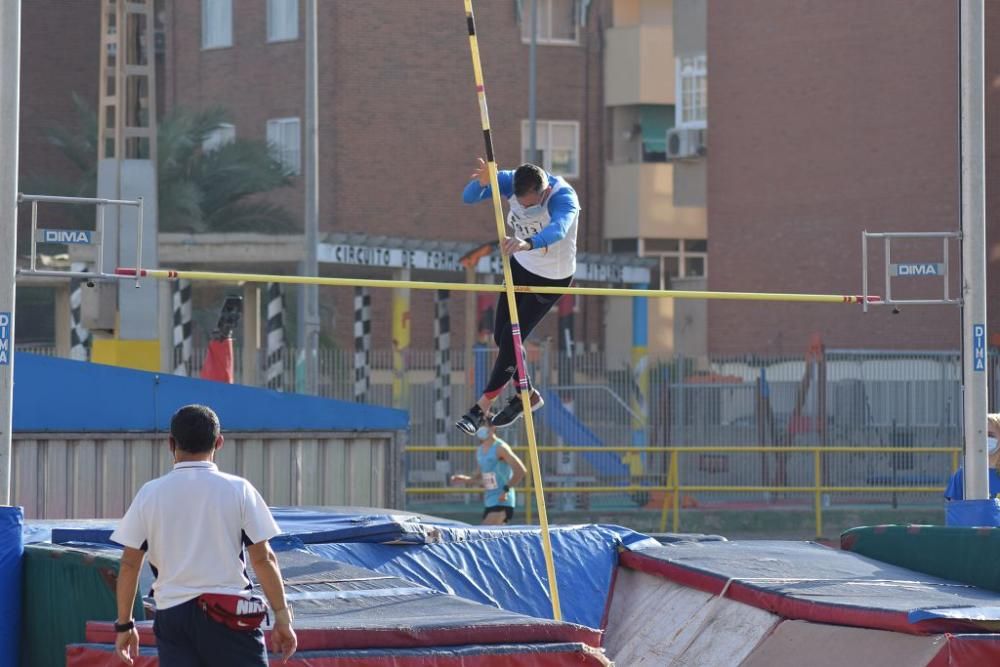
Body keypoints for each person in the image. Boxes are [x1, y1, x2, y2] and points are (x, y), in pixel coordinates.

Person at [112, 405, 297, 666]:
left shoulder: (149, 494)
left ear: (170, 443)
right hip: (230, 614)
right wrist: (282, 617)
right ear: (219, 442)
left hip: (173, 616)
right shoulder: (239, 490)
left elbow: (129, 564)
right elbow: (264, 558)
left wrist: (124, 625)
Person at [456, 159, 580, 433]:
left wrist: (528, 242)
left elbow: (558, 230)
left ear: (544, 191)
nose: (524, 208)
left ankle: (479, 409)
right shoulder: (509, 181)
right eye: (521, 204)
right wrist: (483, 183)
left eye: (530, 204)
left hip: (551, 277)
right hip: (521, 265)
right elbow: (468, 198)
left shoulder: (563, 197)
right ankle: (528, 395)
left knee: (513, 338)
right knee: (502, 338)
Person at [450, 415, 528, 524]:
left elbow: (520, 470)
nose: (480, 428)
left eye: (483, 425)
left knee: (482, 535)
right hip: (489, 502)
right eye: (479, 426)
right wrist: (464, 479)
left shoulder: (501, 448)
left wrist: (506, 490)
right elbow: (480, 476)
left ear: (493, 427)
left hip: (502, 501)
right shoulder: (480, 451)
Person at [944, 412, 1000, 500]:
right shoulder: (963, 475)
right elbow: (955, 511)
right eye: (981, 434)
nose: (985, 439)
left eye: (990, 435)